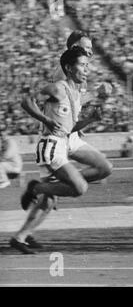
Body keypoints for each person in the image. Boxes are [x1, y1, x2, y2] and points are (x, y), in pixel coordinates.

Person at [10, 46, 112, 254]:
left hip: (60, 145)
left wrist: (91, 119)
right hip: (50, 147)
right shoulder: (57, 88)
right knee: (79, 188)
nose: (86, 70)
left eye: (87, 65)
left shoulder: (74, 94)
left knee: (49, 201)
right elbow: (26, 101)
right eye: (82, 65)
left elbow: (69, 128)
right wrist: (44, 118)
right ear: (69, 67)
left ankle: (20, 237)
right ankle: (35, 188)